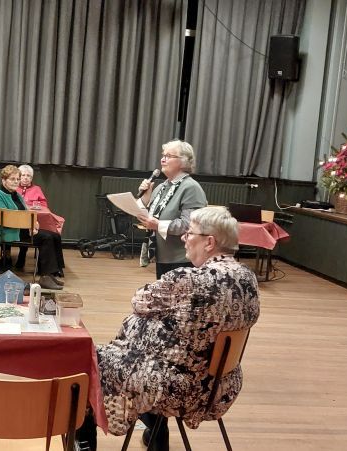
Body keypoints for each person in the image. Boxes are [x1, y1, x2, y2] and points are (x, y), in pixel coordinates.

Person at [95, 206, 259, 450]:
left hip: (182, 389)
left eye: (189, 233)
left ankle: (83, 442)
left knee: (93, 359)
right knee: (152, 347)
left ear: (209, 242)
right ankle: (156, 435)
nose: (184, 238)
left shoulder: (188, 279)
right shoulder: (247, 278)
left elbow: (138, 300)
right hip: (222, 385)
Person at [137, 140, 208, 277]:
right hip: (163, 257)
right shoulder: (161, 187)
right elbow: (147, 218)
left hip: (183, 259)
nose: (163, 159)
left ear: (183, 161)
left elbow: (190, 225)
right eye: (163, 155)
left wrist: (158, 225)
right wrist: (145, 198)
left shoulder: (191, 188)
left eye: (169, 156)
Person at [0, 165, 66, 290]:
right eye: (12, 179)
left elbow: (26, 212)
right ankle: (45, 277)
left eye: (17, 179)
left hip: (21, 230)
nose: (16, 182)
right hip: (8, 232)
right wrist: (29, 223)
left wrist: (34, 223)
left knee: (54, 235)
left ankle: (53, 272)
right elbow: (7, 217)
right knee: (46, 238)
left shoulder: (16, 195)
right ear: (3, 180)